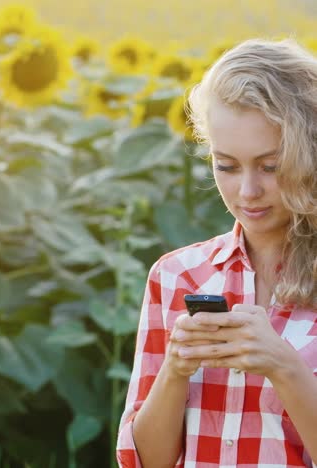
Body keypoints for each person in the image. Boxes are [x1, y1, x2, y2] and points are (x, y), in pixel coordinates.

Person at [116, 37, 317, 468]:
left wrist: (286, 367)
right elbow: (147, 461)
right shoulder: (176, 277)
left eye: (271, 166)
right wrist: (174, 369)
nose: (247, 191)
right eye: (226, 165)